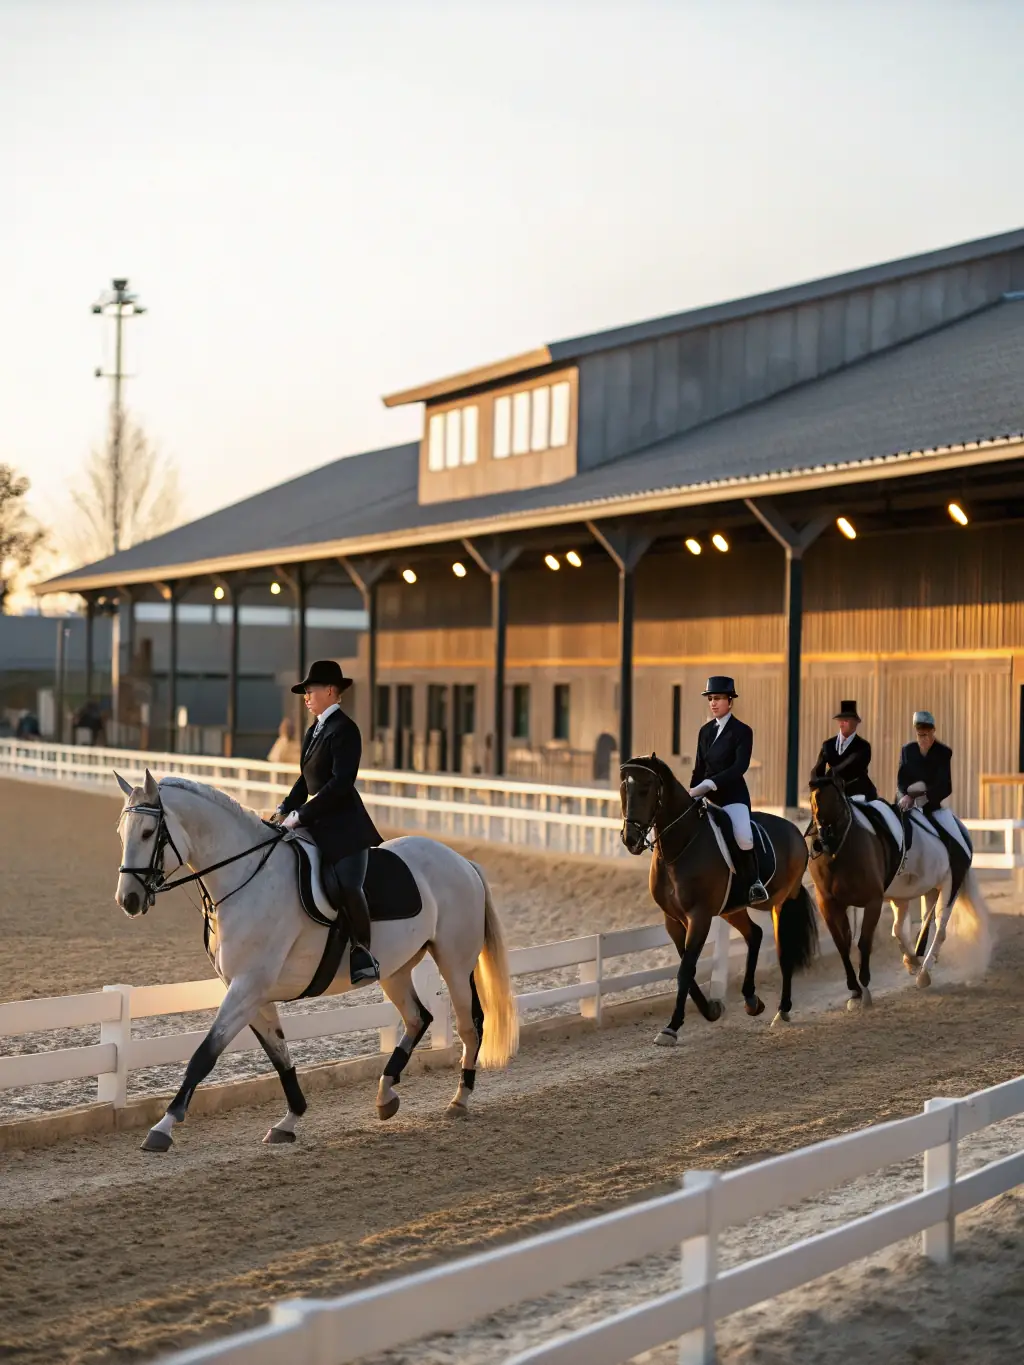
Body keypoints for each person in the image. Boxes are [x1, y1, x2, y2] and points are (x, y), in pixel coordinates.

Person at [274, 659, 382, 986]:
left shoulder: (346, 730)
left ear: (331, 691)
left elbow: (340, 784)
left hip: (346, 826)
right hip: (317, 821)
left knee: (349, 886)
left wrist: (302, 814)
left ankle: (363, 950)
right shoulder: (313, 730)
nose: (306, 696)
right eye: (304, 691)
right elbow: (304, 782)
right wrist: (284, 809)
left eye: (310, 690)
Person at [688, 675, 768, 905]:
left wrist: (711, 783)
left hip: (732, 796)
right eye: (711, 699)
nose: (713, 703)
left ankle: (754, 883)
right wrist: (693, 790)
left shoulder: (742, 731)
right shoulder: (705, 732)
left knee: (743, 836)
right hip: (705, 796)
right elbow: (699, 768)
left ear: (730, 702)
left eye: (719, 699)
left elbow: (739, 767)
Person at [896, 710, 971, 862]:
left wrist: (924, 799)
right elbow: (901, 779)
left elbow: (945, 785)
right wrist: (905, 795)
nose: (922, 739)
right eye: (919, 735)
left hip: (931, 805)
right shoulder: (907, 751)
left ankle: (955, 865)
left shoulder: (943, 753)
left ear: (933, 731)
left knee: (951, 835)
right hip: (906, 804)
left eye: (925, 735)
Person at [809, 700, 878, 801]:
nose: (842, 723)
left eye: (847, 720)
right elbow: (818, 768)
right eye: (841, 720)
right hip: (834, 793)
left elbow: (850, 766)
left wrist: (830, 776)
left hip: (858, 792)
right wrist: (815, 781)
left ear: (855, 723)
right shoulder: (828, 745)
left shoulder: (863, 746)